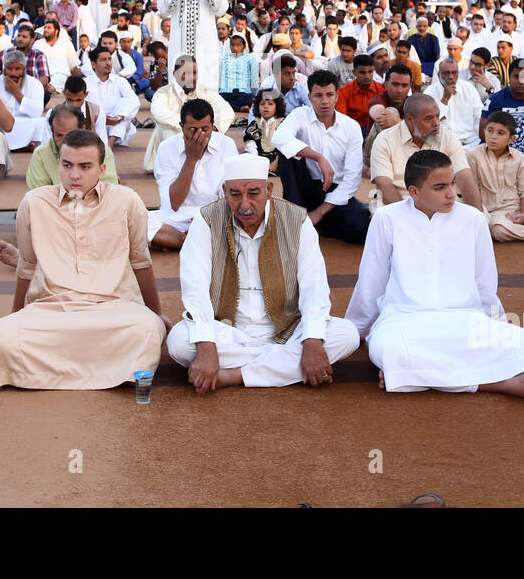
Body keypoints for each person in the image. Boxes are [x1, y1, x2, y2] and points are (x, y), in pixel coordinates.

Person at [0, 129, 170, 392]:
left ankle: (43, 374)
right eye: (67, 165)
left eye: (85, 166)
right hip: (51, 308)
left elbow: (140, 262)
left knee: (147, 328)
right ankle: (107, 370)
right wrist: (16, 316)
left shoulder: (126, 201)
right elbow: (27, 267)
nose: (74, 175)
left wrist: (156, 313)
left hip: (114, 307)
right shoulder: (34, 203)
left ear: (102, 169)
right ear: (58, 164)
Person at [347, 150, 524, 399]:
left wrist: (496, 324)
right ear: (414, 192)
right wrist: (357, 330)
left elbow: (485, 282)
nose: (451, 193)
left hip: (464, 318)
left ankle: (410, 376)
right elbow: (371, 281)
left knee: (521, 342)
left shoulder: (473, 219)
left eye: (452, 184)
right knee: (389, 348)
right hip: (404, 319)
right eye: (439, 187)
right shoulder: (387, 218)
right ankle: (495, 382)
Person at [167, 153, 359, 391]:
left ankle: (236, 375)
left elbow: (314, 284)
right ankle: (283, 365)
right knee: (178, 343)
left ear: (269, 189)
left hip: (286, 327)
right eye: (235, 194)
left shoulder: (296, 220)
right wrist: (207, 346)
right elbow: (194, 286)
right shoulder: (206, 220)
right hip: (228, 330)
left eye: (254, 193)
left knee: (347, 334)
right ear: (225, 191)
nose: (244, 205)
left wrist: (311, 341)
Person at [273, 69, 371, 243]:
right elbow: (279, 138)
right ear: (309, 97)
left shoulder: (351, 127)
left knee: (361, 226)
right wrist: (318, 158)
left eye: (329, 95)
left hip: (335, 192)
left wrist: (320, 212)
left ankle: (317, 224)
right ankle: (295, 215)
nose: (324, 101)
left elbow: (352, 179)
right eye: (318, 95)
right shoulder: (300, 115)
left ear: (337, 96)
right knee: (287, 151)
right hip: (303, 189)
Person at [149, 99, 239, 250]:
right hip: (175, 219)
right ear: (181, 126)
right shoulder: (167, 148)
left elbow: (231, 197)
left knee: (249, 218)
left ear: (213, 126)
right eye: (192, 129)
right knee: (134, 221)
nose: (200, 135)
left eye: (205, 129)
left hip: (214, 217)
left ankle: (180, 241)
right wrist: (191, 159)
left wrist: (207, 219)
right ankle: (192, 240)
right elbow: (174, 203)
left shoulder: (227, 145)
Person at [370, 93, 480, 209]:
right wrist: (411, 218)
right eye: (428, 118)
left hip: (441, 204)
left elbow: (466, 180)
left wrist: (477, 218)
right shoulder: (385, 140)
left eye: (437, 116)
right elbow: (384, 186)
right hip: (400, 203)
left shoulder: (447, 137)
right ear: (410, 119)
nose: (436, 124)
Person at [468, 110, 524, 242]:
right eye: (490, 131)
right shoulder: (473, 155)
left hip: (519, 206)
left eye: (500, 133)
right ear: (484, 131)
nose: (493, 137)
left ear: (511, 139)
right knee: (498, 230)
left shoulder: (519, 158)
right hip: (493, 212)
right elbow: (471, 190)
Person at [157, 0, 229, 94]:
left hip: (205, 44)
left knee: (206, 82)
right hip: (179, 45)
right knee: (179, 85)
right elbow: (162, 10)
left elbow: (222, 9)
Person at [144, 55, 234, 172]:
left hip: (202, 135)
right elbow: (158, 113)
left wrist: (213, 127)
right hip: (175, 135)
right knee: (167, 130)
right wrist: (191, 127)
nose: (191, 77)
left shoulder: (204, 91)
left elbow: (228, 111)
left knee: (221, 137)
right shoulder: (164, 92)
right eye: (186, 73)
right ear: (175, 74)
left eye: (194, 73)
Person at [480, 58, 524, 177]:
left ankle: (502, 173)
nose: (521, 81)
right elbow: (482, 133)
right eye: (516, 76)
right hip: (496, 154)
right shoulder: (495, 100)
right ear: (509, 78)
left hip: (522, 157)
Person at [26, 104, 119, 190]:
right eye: (59, 135)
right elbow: (39, 196)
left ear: (82, 129)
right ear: (52, 131)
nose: (64, 141)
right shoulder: (41, 154)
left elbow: (109, 191)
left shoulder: (101, 150)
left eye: (70, 134)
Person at [85, 46, 140, 148]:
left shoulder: (120, 81)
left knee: (125, 104)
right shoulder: (86, 83)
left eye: (109, 59)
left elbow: (134, 102)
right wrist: (102, 117)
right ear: (93, 64)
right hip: (95, 126)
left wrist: (118, 118)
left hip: (117, 126)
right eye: (103, 60)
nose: (108, 63)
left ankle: (109, 146)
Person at [425, 56, 483, 149]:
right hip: (443, 142)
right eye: (446, 73)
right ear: (439, 74)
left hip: (470, 141)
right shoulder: (430, 92)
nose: (451, 77)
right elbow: (429, 122)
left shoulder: (469, 88)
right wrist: (445, 99)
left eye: (454, 73)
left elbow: (479, 116)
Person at [0, 50, 47, 151]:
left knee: (42, 122)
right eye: (9, 68)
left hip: (26, 123)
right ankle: (22, 147)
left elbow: (37, 113)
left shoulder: (34, 83)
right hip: (2, 124)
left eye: (17, 69)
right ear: (4, 69)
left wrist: (17, 93)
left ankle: (21, 146)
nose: (13, 73)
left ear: (24, 69)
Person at [242, 87, 286, 171]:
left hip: (278, 159)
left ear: (277, 107)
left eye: (270, 104)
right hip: (259, 158)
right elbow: (250, 144)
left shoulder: (283, 123)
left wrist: (276, 162)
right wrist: (257, 161)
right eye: (262, 104)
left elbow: (285, 145)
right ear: (258, 107)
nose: (266, 107)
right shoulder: (255, 124)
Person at [218, 32, 258, 111]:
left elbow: (254, 80)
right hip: (225, 92)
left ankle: (231, 107)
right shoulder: (223, 57)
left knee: (250, 98)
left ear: (244, 46)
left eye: (238, 45)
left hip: (243, 94)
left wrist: (256, 95)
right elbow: (219, 76)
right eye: (232, 45)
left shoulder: (251, 58)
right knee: (218, 99)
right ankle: (239, 108)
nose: (235, 48)